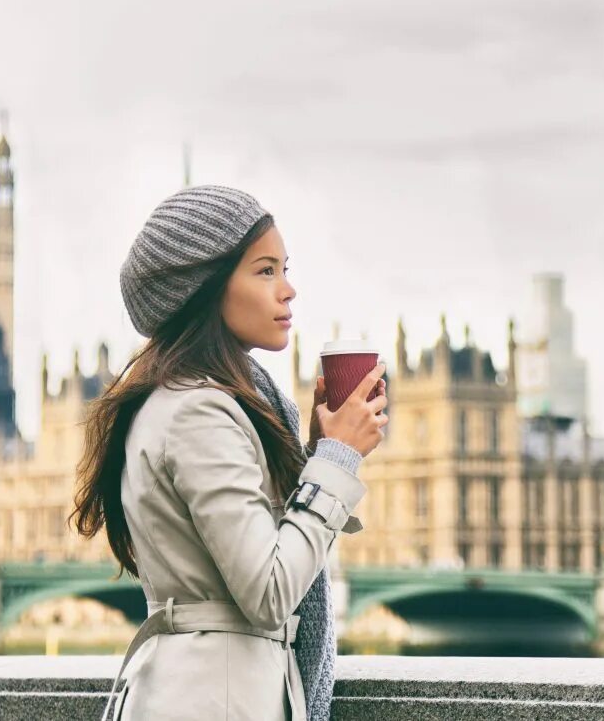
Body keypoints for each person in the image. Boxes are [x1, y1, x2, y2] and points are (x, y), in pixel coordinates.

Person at [72, 184, 388, 721]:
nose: (287, 291)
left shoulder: (199, 402)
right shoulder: (198, 412)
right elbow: (268, 592)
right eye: (265, 271)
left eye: (286, 269)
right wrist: (335, 461)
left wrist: (313, 455)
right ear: (205, 288)